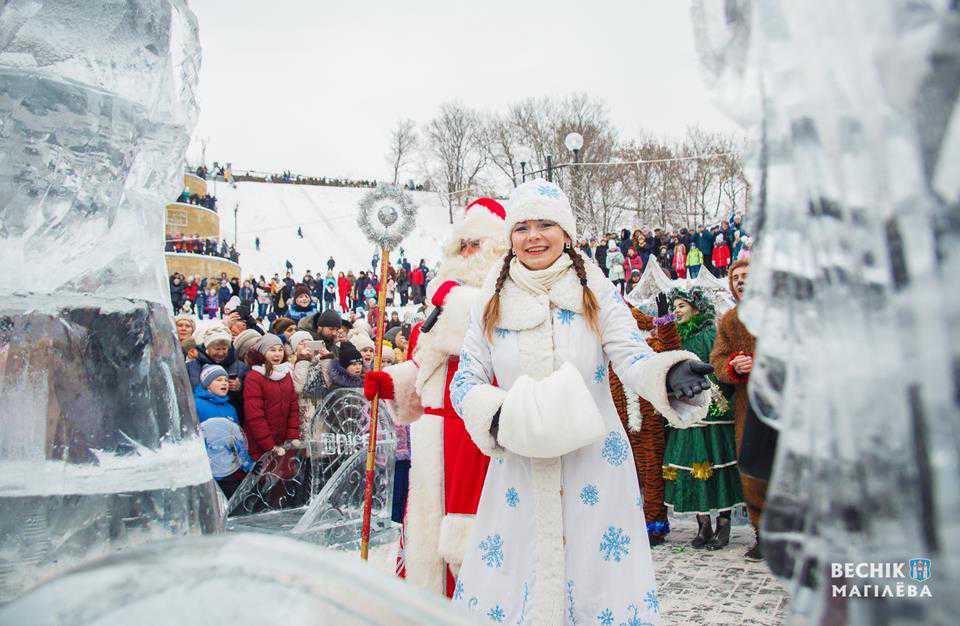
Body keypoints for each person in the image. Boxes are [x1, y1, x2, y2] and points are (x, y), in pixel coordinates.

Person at [443, 180, 712, 624]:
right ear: (510, 237)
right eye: (523, 227)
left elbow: (631, 355)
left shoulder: (595, 292)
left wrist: (667, 373)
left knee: (596, 583)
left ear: (566, 233)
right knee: (516, 579)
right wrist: (499, 417)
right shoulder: (489, 301)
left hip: (594, 466)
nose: (534, 236)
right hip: (519, 468)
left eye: (545, 224)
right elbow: (465, 381)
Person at [364, 197, 510, 597]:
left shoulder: (497, 300)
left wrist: (450, 299)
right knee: (428, 527)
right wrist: (391, 382)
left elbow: (473, 330)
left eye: (474, 245)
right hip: (434, 432)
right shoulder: (441, 308)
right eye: (460, 246)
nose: (465, 254)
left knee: (467, 531)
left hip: (473, 431)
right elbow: (424, 367)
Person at [662, 287, 743, 550]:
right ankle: (703, 525)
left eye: (681, 306)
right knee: (691, 468)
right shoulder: (674, 338)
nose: (677, 311)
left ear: (696, 308)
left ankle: (723, 525)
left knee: (715, 467)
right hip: (684, 413)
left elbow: (719, 369)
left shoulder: (710, 334)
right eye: (675, 307)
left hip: (712, 413)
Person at [709, 258, 769, 562]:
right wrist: (732, 366)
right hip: (748, 407)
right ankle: (762, 536)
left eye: (747, 276)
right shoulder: (730, 320)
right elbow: (718, 361)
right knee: (753, 470)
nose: (741, 282)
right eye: (736, 278)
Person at [608, 293, 679, 546]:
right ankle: (628, 522)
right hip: (616, 423)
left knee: (651, 474)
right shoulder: (608, 349)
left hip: (649, 423)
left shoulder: (648, 346)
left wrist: (666, 320)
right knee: (622, 476)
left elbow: (672, 349)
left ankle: (653, 526)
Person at [194, 364, 254, 498]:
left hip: (228, 471)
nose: (224, 383)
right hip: (207, 472)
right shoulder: (196, 404)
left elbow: (238, 440)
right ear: (207, 384)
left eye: (226, 380)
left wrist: (248, 464)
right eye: (219, 380)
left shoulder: (230, 408)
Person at [242, 334, 301, 460]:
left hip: (283, 442)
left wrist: (292, 435)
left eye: (280, 350)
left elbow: (293, 407)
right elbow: (255, 416)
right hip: (260, 445)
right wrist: (269, 445)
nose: (277, 354)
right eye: (272, 350)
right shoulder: (254, 377)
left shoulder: (285, 373)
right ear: (263, 352)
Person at [187, 325, 249, 422]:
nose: (221, 353)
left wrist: (239, 387)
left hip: (230, 417)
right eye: (217, 349)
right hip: (201, 416)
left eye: (224, 349)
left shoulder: (239, 367)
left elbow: (247, 397)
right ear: (207, 347)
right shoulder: (193, 366)